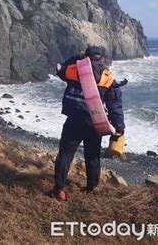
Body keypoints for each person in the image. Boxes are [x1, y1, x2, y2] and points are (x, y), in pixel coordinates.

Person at [53, 46, 125, 201]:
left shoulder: (73, 71)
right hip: (95, 122)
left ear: (85, 57)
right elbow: (115, 106)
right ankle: (91, 188)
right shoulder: (108, 78)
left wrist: (76, 57)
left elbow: (60, 68)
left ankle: (59, 189)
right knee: (92, 156)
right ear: (102, 59)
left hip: (74, 121)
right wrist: (120, 128)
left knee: (65, 154)